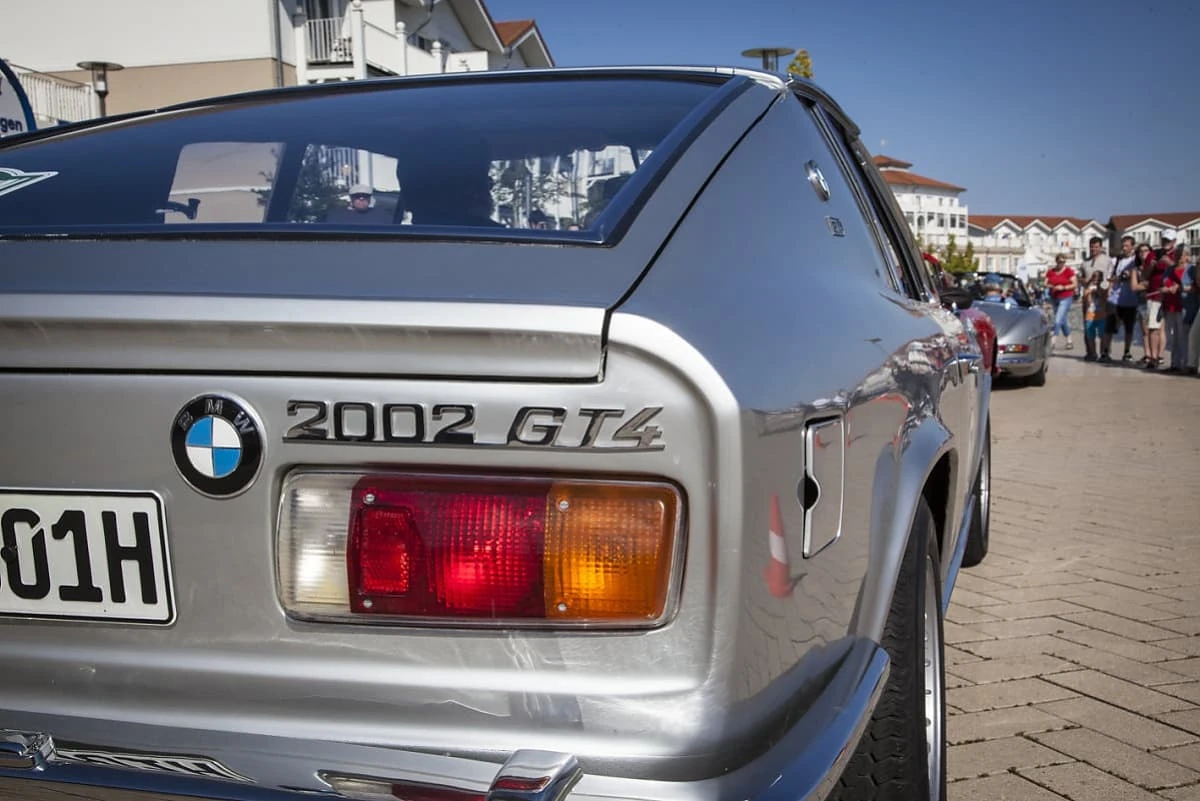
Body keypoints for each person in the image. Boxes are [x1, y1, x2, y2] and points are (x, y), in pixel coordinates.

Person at [1104, 236, 1142, 362]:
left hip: (1130, 299)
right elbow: (1110, 277)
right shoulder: (1116, 260)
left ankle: (1127, 351)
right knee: (1110, 326)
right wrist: (1118, 279)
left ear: (1132, 246)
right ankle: (1106, 351)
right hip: (1115, 298)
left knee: (1129, 328)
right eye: (1123, 245)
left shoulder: (1136, 261)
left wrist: (1130, 275)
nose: (1124, 248)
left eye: (1127, 245)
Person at [1044, 253, 1078, 350]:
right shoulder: (1051, 271)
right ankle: (1069, 340)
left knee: (1058, 319)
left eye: (1063, 262)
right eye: (1060, 262)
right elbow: (1045, 282)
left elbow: (1075, 284)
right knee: (1062, 320)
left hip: (1066, 297)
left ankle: (1053, 340)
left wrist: (1064, 287)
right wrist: (1051, 286)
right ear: (1056, 261)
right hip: (1054, 297)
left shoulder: (1069, 271)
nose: (1061, 264)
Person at [323, 184, 393, 224]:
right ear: (351, 198)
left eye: (365, 196)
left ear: (369, 198)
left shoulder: (382, 215)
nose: (361, 199)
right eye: (357, 196)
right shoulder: (337, 215)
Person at [1080, 270, 1107, 361]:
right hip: (1090, 315)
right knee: (1090, 336)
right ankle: (1093, 353)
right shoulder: (1087, 290)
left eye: (1099, 278)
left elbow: (1104, 302)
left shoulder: (1103, 291)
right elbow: (1087, 302)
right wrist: (1090, 293)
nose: (1096, 280)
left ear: (1101, 280)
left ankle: (1103, 353)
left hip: (1101, 315)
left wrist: (1099, 293)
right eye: (1094, 278)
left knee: (1102, 335)